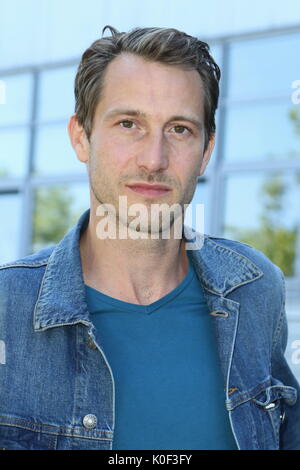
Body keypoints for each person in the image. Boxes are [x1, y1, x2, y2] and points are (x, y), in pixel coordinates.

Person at [0, 25, 299, 451]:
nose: (154, 160)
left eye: (179, 129)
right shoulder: (5, 307)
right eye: (129, 123)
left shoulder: (255, 292)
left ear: (206, 150)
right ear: (81, 136)